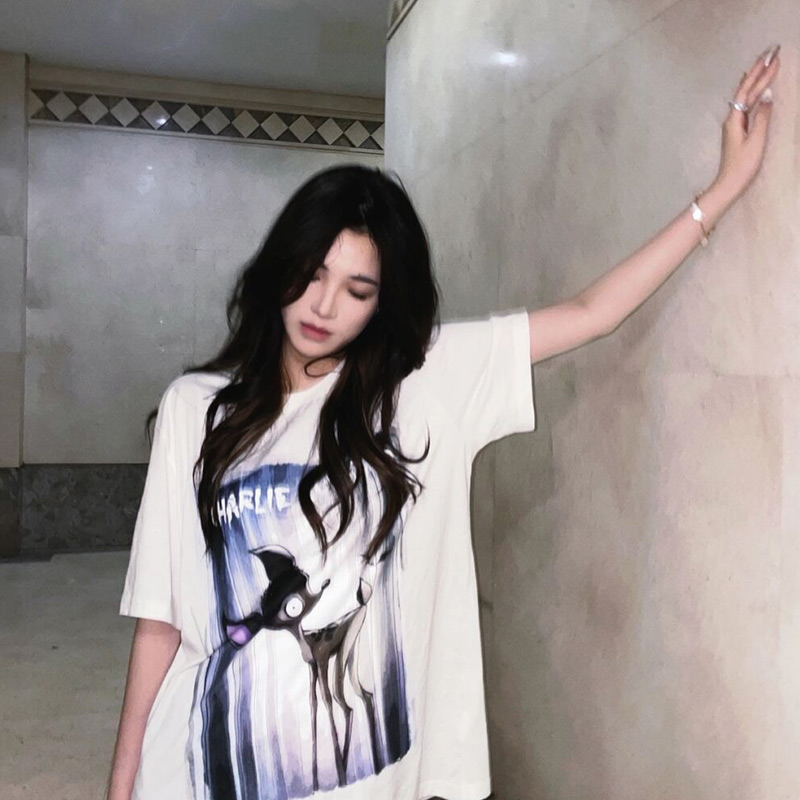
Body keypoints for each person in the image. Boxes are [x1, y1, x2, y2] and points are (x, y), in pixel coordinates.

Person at [107, 47, 781, 800]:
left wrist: (722, 191)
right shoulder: (196, 409)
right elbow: (161, 621)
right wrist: (122, 784)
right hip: (200, 772)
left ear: (382, 304)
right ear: (279, 268)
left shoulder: (425, 383)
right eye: (312, 273)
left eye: (357, 289)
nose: (323, 307)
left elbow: (592, 312)